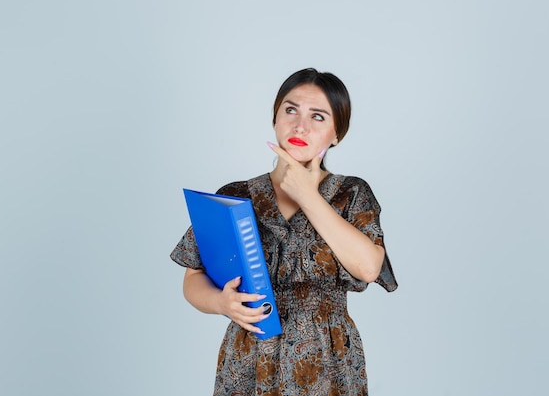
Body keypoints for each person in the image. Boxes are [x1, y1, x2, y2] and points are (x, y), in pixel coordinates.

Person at [170, 68, 398, 395]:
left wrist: (307, 194)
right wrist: (222, 303)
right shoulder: (234, 196)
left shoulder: (352, 194)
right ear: (275, 117)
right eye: (290, 110)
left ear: (336, 134)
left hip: (326, 361)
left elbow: (368, 267)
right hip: (249, 357)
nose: (300, 125)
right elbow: (193, 278)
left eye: (317, 116)